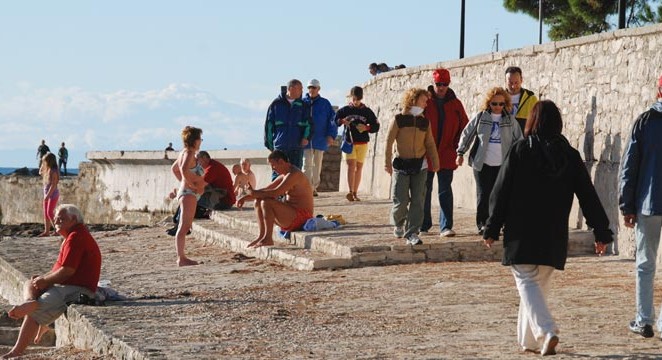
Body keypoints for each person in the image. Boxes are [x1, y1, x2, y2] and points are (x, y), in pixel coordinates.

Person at [483, 100, 613, 355]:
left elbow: (500, 192)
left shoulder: (520, 151)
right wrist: (601, 231)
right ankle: (529, 342)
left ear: (532, 121)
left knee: (527, 284)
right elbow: (588, 195)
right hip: (553, 234)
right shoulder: (570, 156)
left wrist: (491, 227)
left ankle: (546, 330)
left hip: (521, 232)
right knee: (537, 287)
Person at [2, 204, 101, 359]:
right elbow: (60, 269)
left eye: (61, 219)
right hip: (67, 284)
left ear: (74, 219)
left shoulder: (76, 237)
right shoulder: (71, 237)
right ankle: (30, 301)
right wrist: (41, 280)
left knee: (35, 311)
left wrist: (46, 280)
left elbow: (67, 271)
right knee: (30, 283)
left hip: (78, 288)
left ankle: (16, 351)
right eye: (55, 218)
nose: (56, 221)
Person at [620, 74, 662, 339]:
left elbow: (629, 165)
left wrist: (627, 205)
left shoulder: (645, 121)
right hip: (650, 200)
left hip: (650, 202)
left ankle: (644, 320)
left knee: (645, 264)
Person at [456, 87, 523, 234]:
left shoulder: (510, 120)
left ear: (505, 104)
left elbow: (518, 140)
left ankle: (502, 223)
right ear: (488, 103)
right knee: (484, 194)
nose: (498, 107)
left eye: (501, 104)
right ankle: (483, 224)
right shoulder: (481, 117)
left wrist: (519, 159)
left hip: (503, 164)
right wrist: (460, 153)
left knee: (501, 194)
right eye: (494, 104)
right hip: (482, 163)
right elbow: (467, 133)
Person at [385, 88, 440, 245]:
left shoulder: (425, 121)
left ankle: (412, 232)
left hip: (420, 165)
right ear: (413, 100)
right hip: (401, 165)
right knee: (401, 200)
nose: (426, 103)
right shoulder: (399, 120)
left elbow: (429, 143)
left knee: (418, 200)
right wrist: (387, 163)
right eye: (423, 100)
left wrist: (435, 162)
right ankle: (398, 223)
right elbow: (389, 141)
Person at [422, 68, 469, 237]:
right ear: (433, 84)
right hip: (426, 154)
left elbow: (465, 127)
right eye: (438, 84)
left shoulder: (455, 104)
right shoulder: (425, 101)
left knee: (445, 191)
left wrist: (457, 147)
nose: (441, 87)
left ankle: (445, 226)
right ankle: (423, 225)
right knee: (424, 190)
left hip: (447, 154)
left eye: (445, 84)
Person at [237, 150, 313, 248]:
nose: (273, 169)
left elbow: (276, 192)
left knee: (267, 202)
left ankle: (268, 238)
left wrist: (253, 193)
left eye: (273, 166)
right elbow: (267, 189)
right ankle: (262, 236)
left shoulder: (294, 174)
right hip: (290, 214)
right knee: (258, 200)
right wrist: (245, 197)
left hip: (302, 217)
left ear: (281, 162)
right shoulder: (284, 175)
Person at [335, 86, 380, 202]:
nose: (356, 102)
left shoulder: (367, 111)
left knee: (359, 167)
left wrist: (366, 127)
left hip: (362, 142)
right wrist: (342, 121)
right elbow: (335, 119)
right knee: (351, 166)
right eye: (354, 99)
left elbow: (376, 126)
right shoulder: (345, 110)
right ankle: (350, 191)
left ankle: (355, 192)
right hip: (349, 142)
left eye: (358, 99)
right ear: (351, 97)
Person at [170, 126, 205, 266]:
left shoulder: (183, 153)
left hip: (188, 192)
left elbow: (175, 169)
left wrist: (185, 182)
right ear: (195, 140)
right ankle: (181, 258)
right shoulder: (189, 154)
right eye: (200, 139)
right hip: (188, 193)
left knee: (185, 225)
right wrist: (191, 185)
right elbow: (183, 169)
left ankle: (182, 257)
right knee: (184, 226)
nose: (201, 141)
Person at [264, 79, 312, 172]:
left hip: (296, 147)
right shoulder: (276, 105)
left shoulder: (303, 105)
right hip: (280, 147)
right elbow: (269, 126)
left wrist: (306, 137)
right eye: (300, 89)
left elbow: (309, 124)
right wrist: (270, 146)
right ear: (291, 88)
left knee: (295, 174)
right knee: (277, 175)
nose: (302, 92)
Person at [302, 79, 337, 196]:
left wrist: (331, 135)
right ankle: (307, 188)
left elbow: (332, 120)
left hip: (320, 138)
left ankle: (313, 187)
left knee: (317, 164)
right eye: (309, 87)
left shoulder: (325, 103)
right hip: (306, 140)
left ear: (318, 89)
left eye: (314, 87)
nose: (311, 90)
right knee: (306, 164)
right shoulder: (302, 102)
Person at [505, 66, 538, 131]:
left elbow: (537, 122)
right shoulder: (498, 99)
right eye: (510, 83)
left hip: (524, 139)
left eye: (516, 82)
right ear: (505, 81)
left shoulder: (531, 99)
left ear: (521, 80)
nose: (513, 86)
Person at [38, 153, 59, 237]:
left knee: (49, 213)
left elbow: (53, 185)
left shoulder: (53, 171)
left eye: (45, 161)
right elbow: (40, 172)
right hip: (46, 195)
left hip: (52, 195)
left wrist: (48, 196)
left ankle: (57, 229)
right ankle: (46, 231)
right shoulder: (48, 170)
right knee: (45, 214)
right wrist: (42, 166)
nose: (44, 163)